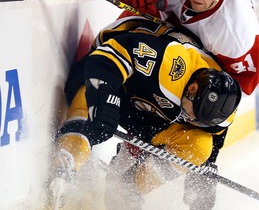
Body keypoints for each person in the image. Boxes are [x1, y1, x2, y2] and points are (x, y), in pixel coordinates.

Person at [47, 18, 242, 209]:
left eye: (199, 121)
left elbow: (213, 138)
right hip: (112, 76)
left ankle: (130, 184)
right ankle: (64, 166)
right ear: (191, 88)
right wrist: (106, 100)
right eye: (194, 115)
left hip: (152, 110)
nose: (192, 121)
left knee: (199, 146)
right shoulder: (170, 64)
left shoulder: (221, 112)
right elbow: (105, 57)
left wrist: (202, 170)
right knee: (93, 117)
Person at [106, 0, 259, 96]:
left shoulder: (233, 35)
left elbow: (240, 87)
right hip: (168, 31)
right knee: (139, 12)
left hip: (198, 68)